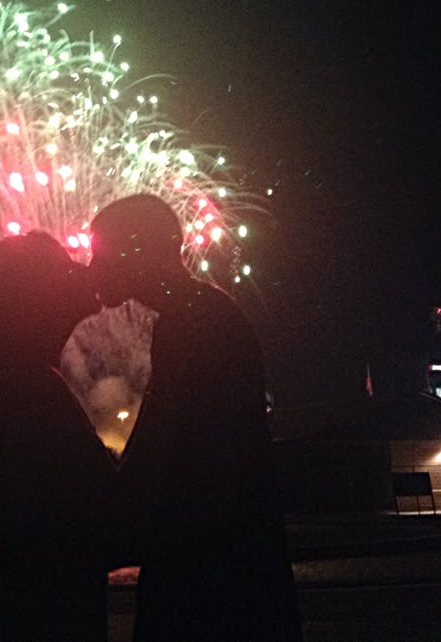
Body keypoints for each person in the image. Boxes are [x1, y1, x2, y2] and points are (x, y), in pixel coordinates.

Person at [90, 194, 302, 642]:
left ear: (136, 250)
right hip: (238, 564)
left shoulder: (188, 323)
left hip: (207, 575)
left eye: (100, 251)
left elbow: (155, 454)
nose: (91, 267)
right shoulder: (207, 312)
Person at [0, 231, 120, 642]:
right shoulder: (31, 391)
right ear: (35, 298)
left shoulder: (20, 386)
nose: (84, 269)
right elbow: (88, 518)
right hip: (41, 618)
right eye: (64, 268)